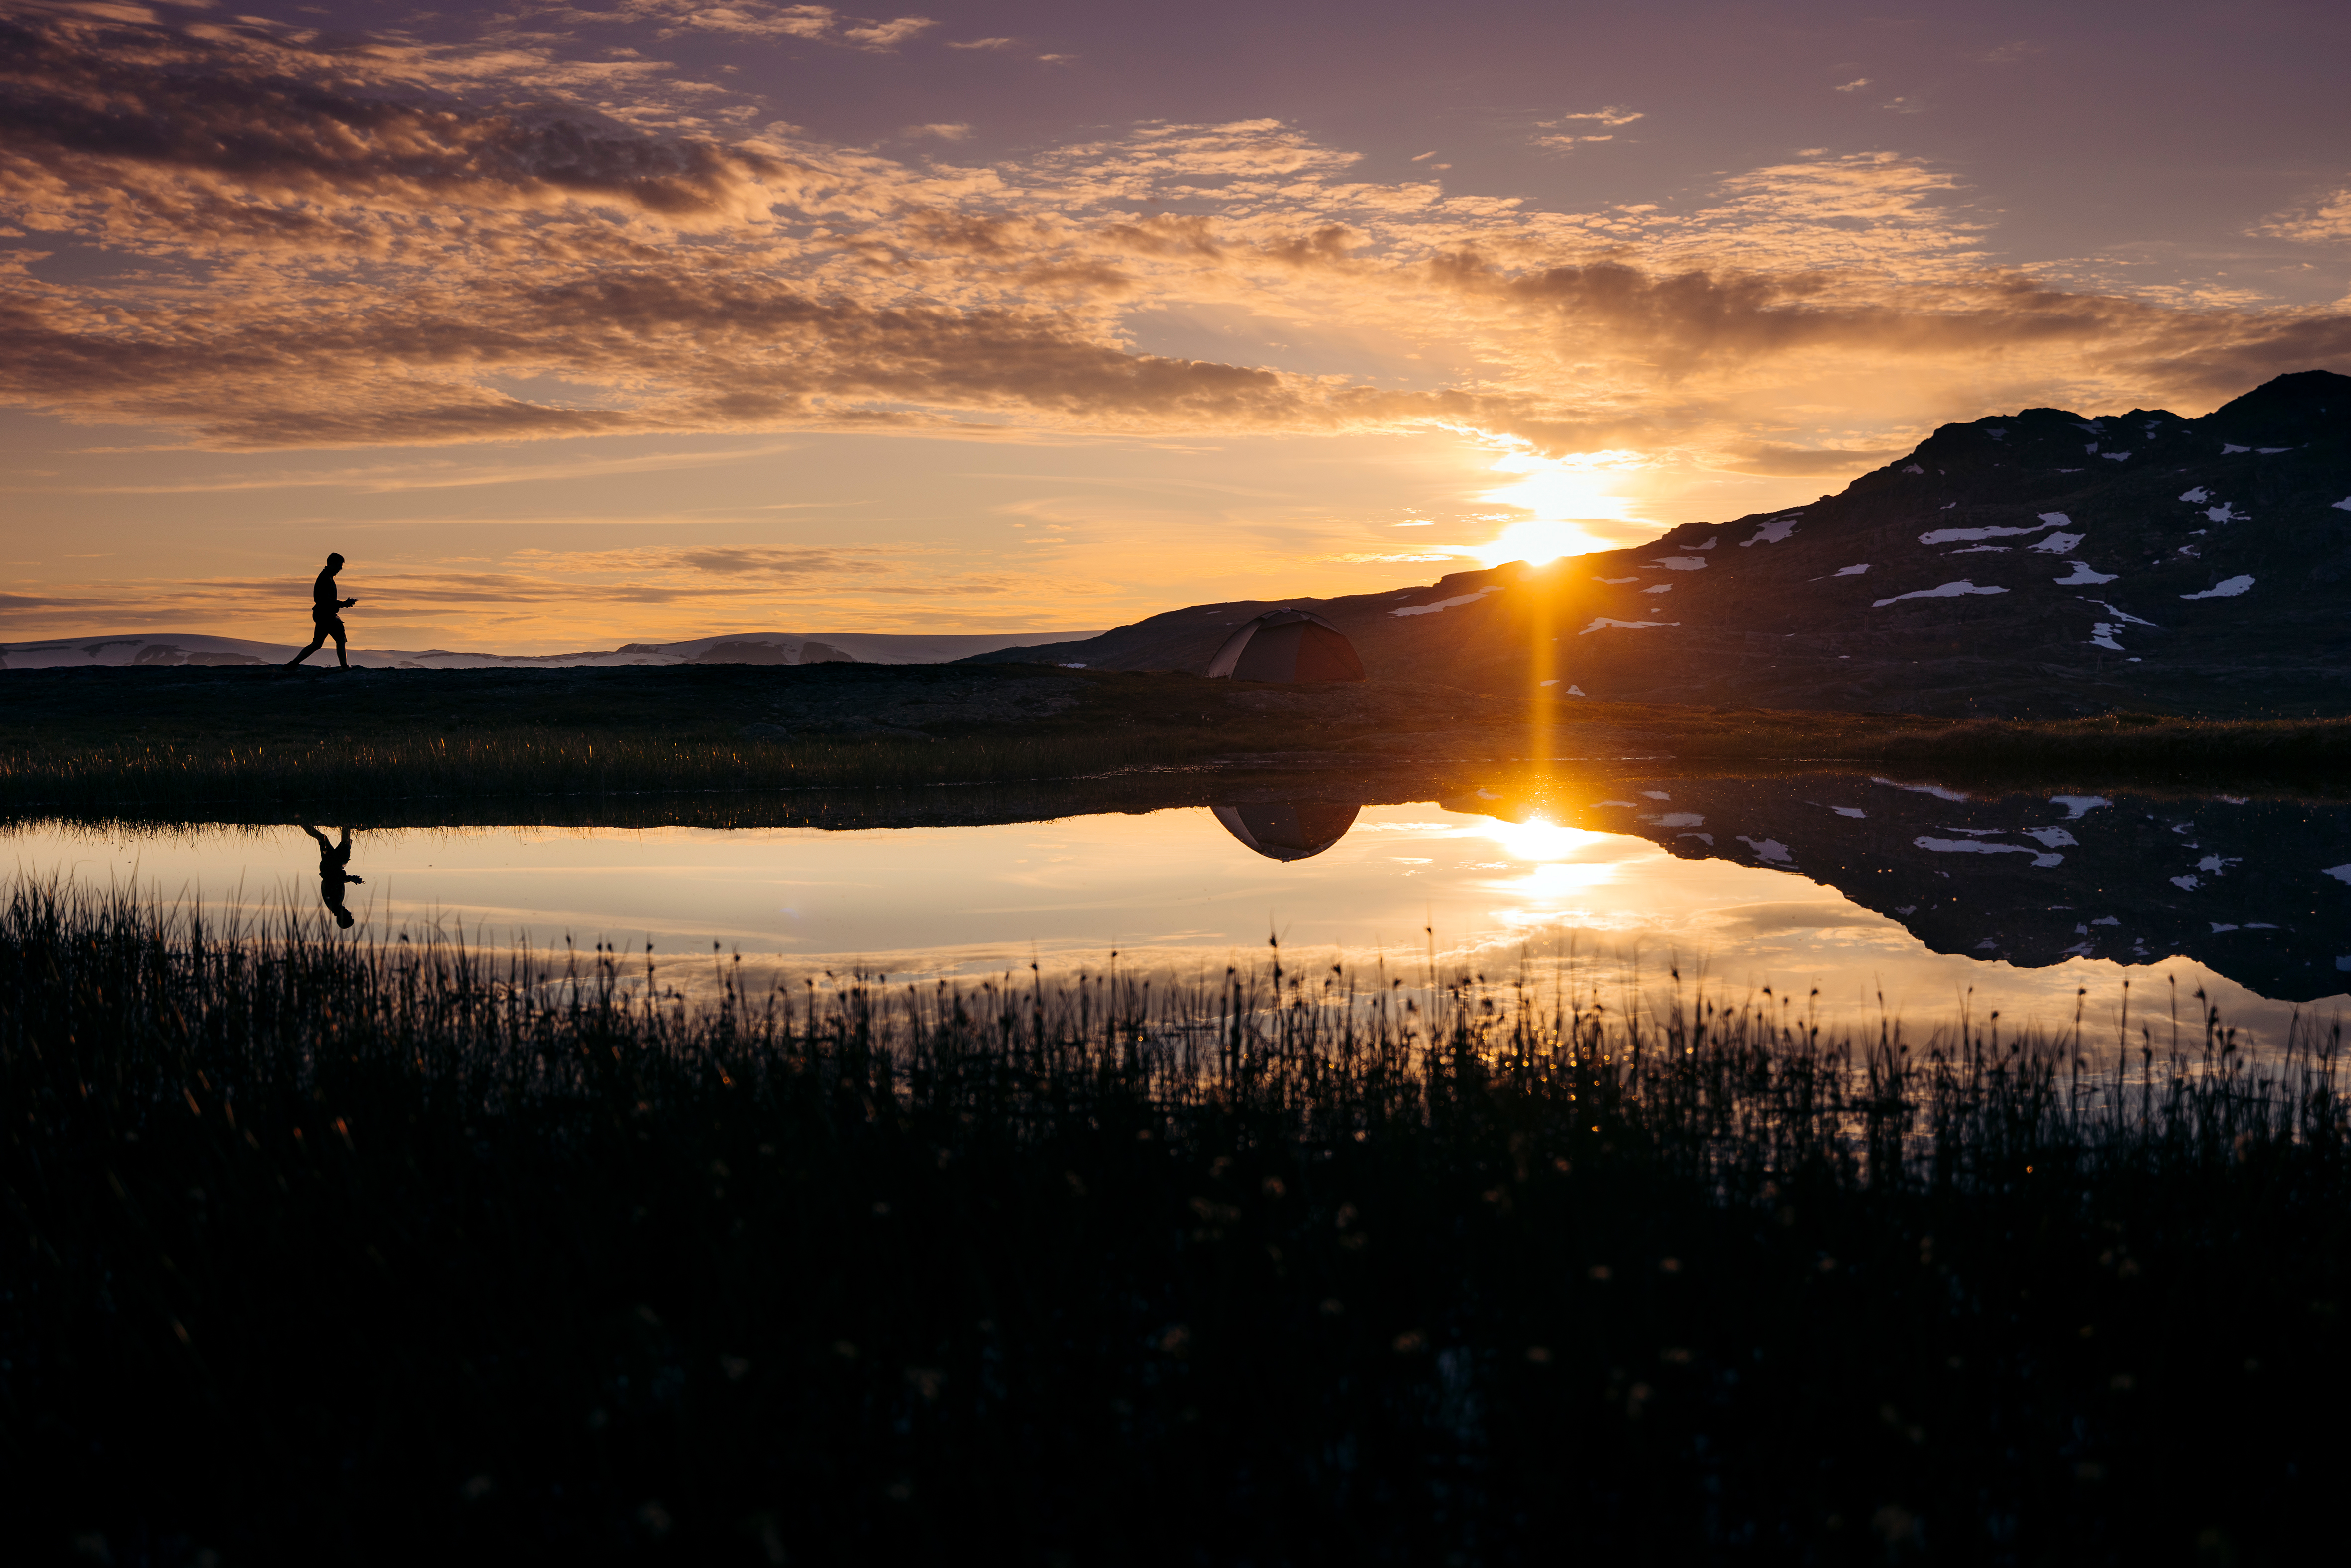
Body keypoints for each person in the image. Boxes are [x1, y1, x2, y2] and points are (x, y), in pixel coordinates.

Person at [287, 552, 358, 667]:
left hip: (322, 615)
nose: (341, 568)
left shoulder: (326, 577)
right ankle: (344, 667)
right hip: (328, 616)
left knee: (317, 644)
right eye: (340, 565)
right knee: (340, 640)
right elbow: (323, 599)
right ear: (332, 564)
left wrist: (342, 604)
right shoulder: (326, 578)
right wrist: (343, 604)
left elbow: (323, 600)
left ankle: (293, 664)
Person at [299, 824, 363, 929]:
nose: (350, 913)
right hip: (331, 866)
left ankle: (346, 823)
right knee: (323, 839)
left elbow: (333, 881)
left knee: (343, 851)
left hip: (331, 866)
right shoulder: (337, 904)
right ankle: (302, 822)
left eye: (349, 916)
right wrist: (350, 878)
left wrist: (350, 879)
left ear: (343, 917)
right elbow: (337, 880)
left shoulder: (334, 903)